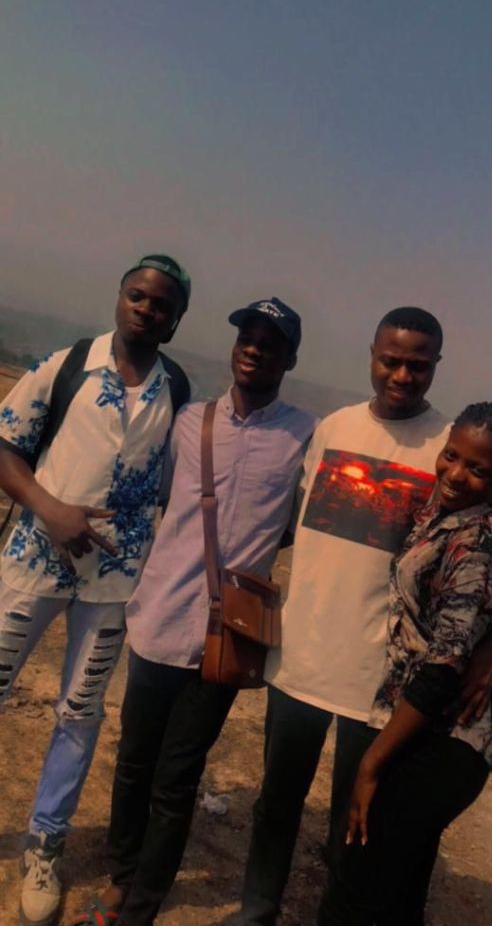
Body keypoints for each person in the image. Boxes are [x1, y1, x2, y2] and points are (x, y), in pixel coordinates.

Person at [242, 307, 492, 925]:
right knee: (277, 802)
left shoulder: (454, 447)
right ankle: (257, 909)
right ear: (371, 355)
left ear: (435, 366)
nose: (401, 375)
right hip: (300, 656)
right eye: (390, 360)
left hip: (379, 683)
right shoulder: (334, 428)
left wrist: (490, 656)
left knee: (355, 818)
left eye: (417, 365)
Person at [73, 298, 317, 926]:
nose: (254, 349)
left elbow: (295, 524)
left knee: (177, 776)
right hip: (159, 618)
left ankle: (140, 905)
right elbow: (161, 498)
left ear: (289, 359)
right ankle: (123, 874)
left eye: (270, 343)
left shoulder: (304, 438)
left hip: (227, 638)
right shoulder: (190, 422)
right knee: (134, 761)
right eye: (247, 338)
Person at [0, 254, 191, 926]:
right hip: (33, 559)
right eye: (137, 295)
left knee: (80, 713)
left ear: (175, 319)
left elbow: (173, 487)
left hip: (113, 581)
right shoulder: (67, 365)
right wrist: (49, 508)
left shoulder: (177, 392)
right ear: (120, 297)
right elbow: (5, 446)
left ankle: (45, 843)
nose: (146, 308)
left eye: (161, 303)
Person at [317, 402, 492, 925]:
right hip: (422, 733)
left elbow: (442, 670)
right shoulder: (447, 516)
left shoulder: (475, 542)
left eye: (477, 468)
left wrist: (370, 765)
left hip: (440, 743)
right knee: (397, 894)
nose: (456, 474)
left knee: (354, 889)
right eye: (451, 456)